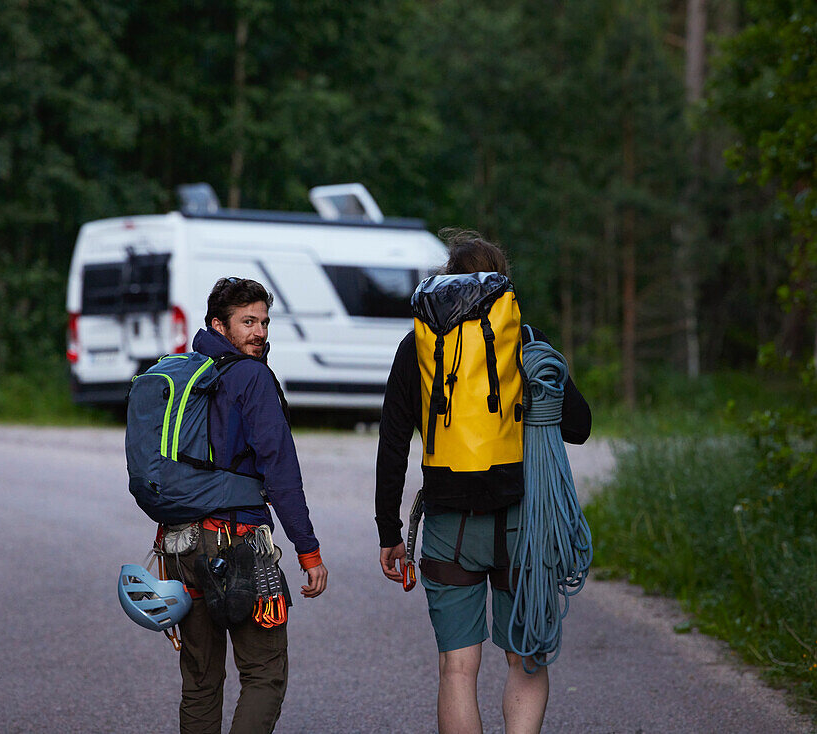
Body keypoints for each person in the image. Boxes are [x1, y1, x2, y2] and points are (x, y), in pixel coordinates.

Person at [375, 230, 591, 734]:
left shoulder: (418, 346)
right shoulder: (527, 341)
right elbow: (579, 427)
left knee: (457, 668)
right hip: (525, 520)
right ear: (503, 287)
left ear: (447, 282)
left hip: (451, 522)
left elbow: (392, 444)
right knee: (526, 659)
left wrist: (389, 532)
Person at [165, 276, 328, 734]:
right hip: (238, 547)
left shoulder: (186, 374)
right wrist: (307, 549)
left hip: (181, 547)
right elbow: (279, 468)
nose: (259, 332)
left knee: (199, 680)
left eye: (264, 321)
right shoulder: (251, 377)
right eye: (247, 322)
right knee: (264, 675)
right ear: (220, 325)